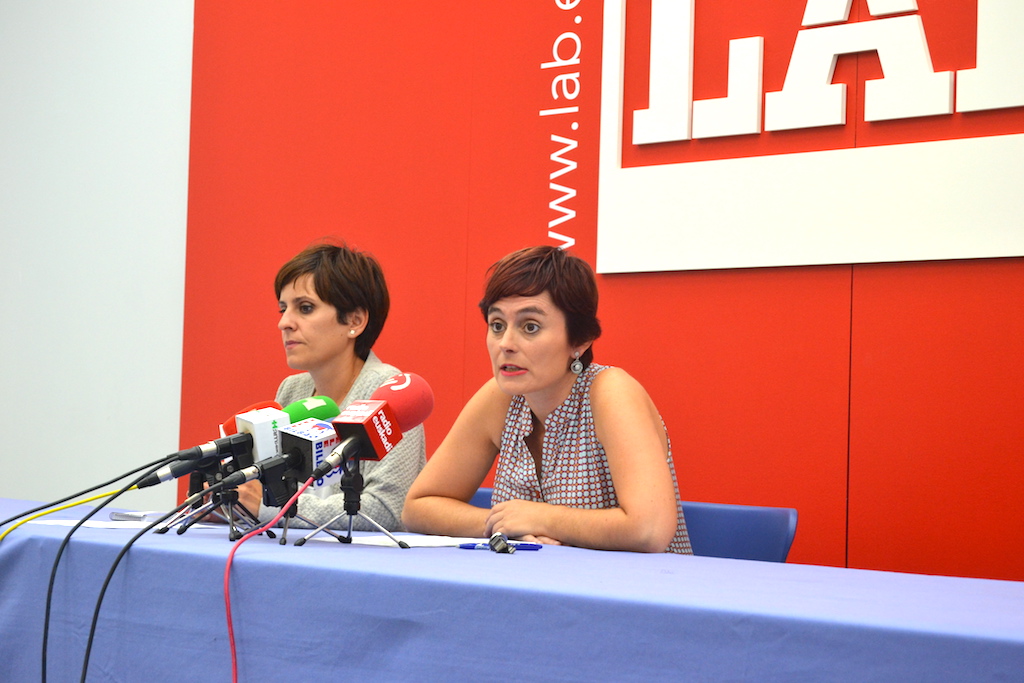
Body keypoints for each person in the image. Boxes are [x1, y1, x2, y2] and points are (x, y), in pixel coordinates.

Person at [403, 246, 691, 553]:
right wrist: (504, 524)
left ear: (580, 340)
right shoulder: (500, 397)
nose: (506, 344)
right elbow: (418, 507)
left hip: (640, 582)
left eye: (530, 327)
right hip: (536, 580)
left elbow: (649, 530)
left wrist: (542, 518)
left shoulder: (611, 392)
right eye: (497, 325)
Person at [235, 241, 426, 532]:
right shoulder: (292, 391)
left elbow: (387, 509)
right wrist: (236, 503)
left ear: (355, 321)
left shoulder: (389, 394)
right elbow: (264, 489)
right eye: (283, 309)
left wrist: (272, 507)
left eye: (305, 308)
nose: (284, 323)